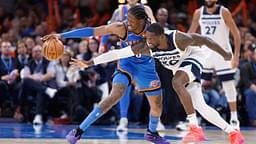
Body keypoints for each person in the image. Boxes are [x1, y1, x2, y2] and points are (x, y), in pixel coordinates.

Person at [71, 23, 245, 144]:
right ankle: (233, 133)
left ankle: (194, 127)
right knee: (200, 106)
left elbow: (206, 40)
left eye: (152, 39)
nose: (149, 42)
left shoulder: (179, 39)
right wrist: (90, 63)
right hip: (181, 67)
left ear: (162, 36)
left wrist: (226, 55)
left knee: (176, 82)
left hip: (194, 58)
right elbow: (118, 53)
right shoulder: (147, 45)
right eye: (147, 38)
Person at [43, 5, 168, 144]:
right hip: (126, 64)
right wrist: (62, 35)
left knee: (157, 106)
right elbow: (93, 31)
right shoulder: (121, 27)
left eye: (131, 20)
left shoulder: (152, 30)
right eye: (128, 19)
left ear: (142, 21)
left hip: (146, 67)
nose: (128, 22)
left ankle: (152, 133)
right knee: (115, 95)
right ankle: (78, 131)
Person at [100, 0, 164, 132]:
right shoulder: (120, 10)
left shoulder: (145, 8)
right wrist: (102, 44)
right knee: (124, 87)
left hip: (144, 54)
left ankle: (157, 121)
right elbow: (107, 28)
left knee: (151, 88)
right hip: (127, 54)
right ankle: (123, 119)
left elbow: (154, 26)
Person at [188, 0, 241, 129]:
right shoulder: (198, 12)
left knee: (229, 86)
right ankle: (195, 119)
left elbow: (236, 34)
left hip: (223, 53)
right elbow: (190, 34)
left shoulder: (224, 12)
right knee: (196, 86)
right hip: (205, 53)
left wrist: (236, 55)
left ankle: (234, 119)